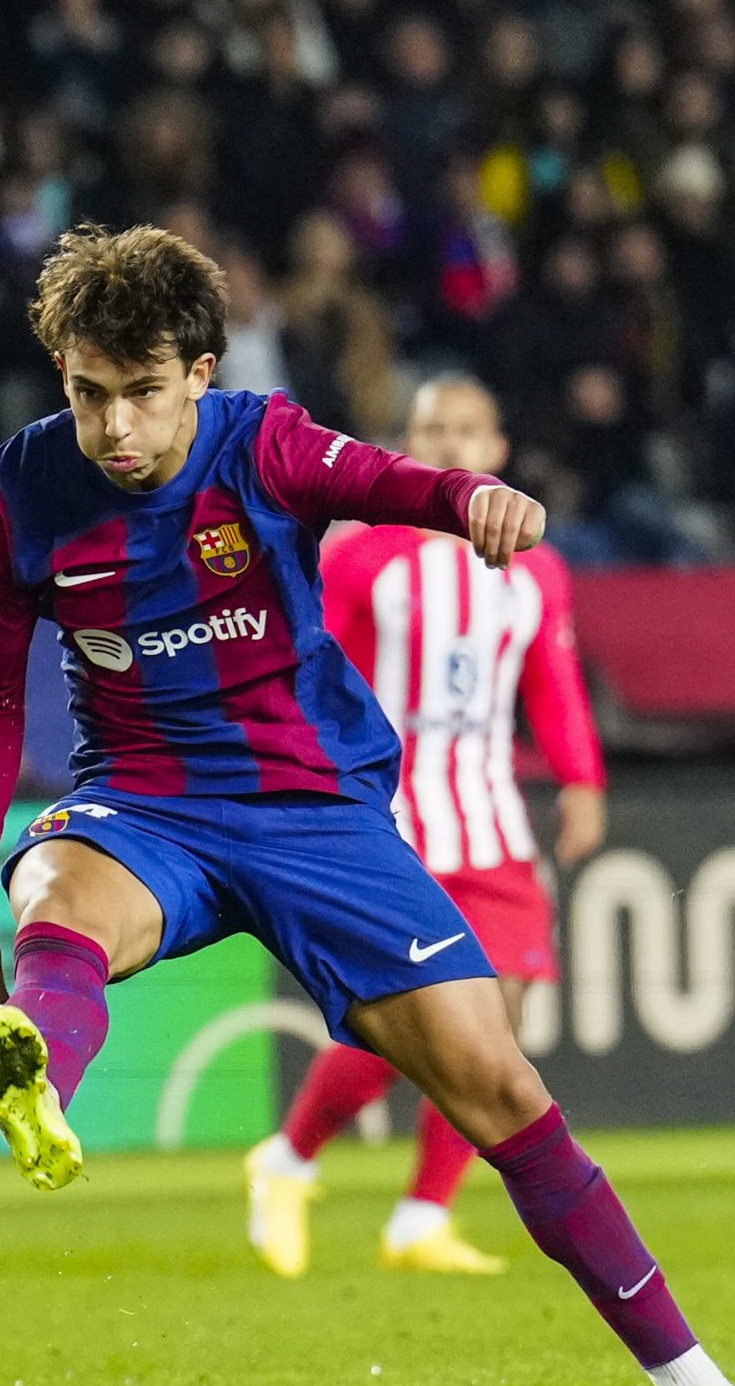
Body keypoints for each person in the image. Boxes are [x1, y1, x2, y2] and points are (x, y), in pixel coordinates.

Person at [0, 224, 735, 1386]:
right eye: (87, 394)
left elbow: (390, 484)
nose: (114, 429)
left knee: (500, 1090)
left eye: (143, 394)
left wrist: (472, 497)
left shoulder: (259, 440)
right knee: (52, 886)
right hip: (143, 801)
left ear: (200, 373)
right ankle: (38, 1066)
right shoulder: (17, 491)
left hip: (311, 808)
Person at [243, 375, 605, 1278]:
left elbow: (551, 688)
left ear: (498, 449)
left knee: (499, 1023)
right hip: (395, 821)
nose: (448, 443)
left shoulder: (538, 568)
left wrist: (583, 781)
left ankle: (420, 1217)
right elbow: (306, 669)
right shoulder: (366, 560)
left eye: (466, 429)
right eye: (430, 429)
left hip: (492, 821)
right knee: (427, 1027)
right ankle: (288, 1157)